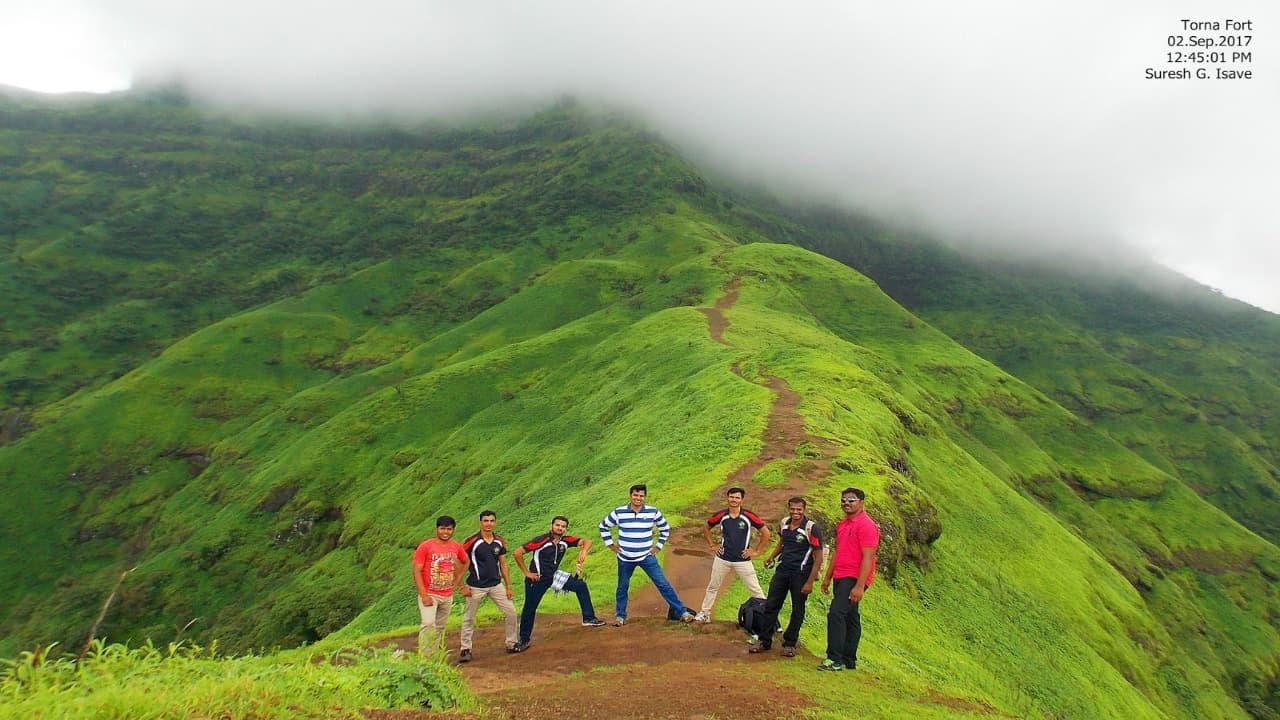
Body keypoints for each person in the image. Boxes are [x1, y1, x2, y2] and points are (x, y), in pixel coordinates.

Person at [598, 483, 696, 625]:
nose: (638, 498)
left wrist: (659, 546)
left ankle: (682, 612)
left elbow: (665, 528)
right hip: (625, 558)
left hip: (646, 557)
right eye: (636, 495)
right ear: (630, 496)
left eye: (641, 496)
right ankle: (620, 616)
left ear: (645, 497)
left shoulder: (652, 512)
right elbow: (603, 526)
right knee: (622, 587)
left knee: (663, 584)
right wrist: (611, 545)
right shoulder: (619, 512)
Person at [512, 515, 607, 651]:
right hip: (538, 578)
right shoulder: (541, 540)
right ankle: (524, 640)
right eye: (557, 525)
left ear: (565, 529)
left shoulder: (565, 541)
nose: (560, 528)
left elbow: (587, 541)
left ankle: (589, 618)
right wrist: (527, 573)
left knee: (580, 586)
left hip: (554, 575)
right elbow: (517, 553)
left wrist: (584, 551)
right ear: (552, 526)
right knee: (529, 609)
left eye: (563, 526)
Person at [752, 496, 824, 656]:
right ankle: (764, 641)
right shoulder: (784, 523)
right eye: (793, 509)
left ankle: (790, 643)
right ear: (788, 509)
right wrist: (771, 557)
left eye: (799, 510)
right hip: (782, 571)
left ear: (804, 510)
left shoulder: (811, 528)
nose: (795, 512)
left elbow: (818, 557)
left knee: (798, 609)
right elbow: (782, 543)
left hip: (801, 574)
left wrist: (810, 582)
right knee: (771, 605)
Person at [818, 488, 879, 671]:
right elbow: (838, 551)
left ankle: (834, 659)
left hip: (854, 576)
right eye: (844, 500)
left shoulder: (866, 526)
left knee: (836, 613)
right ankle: (848, 659)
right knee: (851, 616)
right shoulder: (843, 525)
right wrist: (828, 577)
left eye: (851, 500)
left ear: (861, 502)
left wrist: (860, 585)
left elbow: (869, 557)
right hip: (841, 575)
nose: (847, 503)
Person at [695, 487, 771, 623]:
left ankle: (767, 619)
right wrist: (713, 545)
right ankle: (704, 613)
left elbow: (766, 533)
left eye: (737, 498)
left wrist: (757, 551)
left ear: (742, 500)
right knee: (713, 586)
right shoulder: (721, 515)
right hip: (722, 558)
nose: (734, 500)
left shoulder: (748, 516)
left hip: (743, 560)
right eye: (731, 497)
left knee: (755, 590)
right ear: (727, 498)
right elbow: (706, 527)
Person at [457, 510, 520, 662]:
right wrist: (461, 586)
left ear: (495, 522)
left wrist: (509, 586)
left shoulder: (499, 541)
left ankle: (511, 643)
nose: (489, 524)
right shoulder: (472, 541)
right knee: (469, 618)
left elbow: (503, 564)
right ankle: (465, 649)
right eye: (486, 521)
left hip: (496, 584)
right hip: (476, 586)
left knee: (511, 612)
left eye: (491, 521)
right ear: (480, 523)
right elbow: (459, 561)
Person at [412, 515, 468, 655]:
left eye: (449, 529)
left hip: (447, 595)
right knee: (428, 623)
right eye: (442, 528)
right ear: (437, 529)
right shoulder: (426, 546)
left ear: (453, 530)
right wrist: (423, 594)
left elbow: (465, 561)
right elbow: (416, 570)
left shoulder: (456, 547)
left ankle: (435, 656)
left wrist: (458, 580)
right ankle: (424, 659)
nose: (445, 532)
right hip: (429, 593)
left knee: (440, 627)